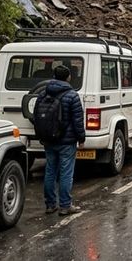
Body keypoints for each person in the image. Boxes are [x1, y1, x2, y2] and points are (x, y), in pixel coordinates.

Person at [38, 65, 85, 216]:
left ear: (53, 76)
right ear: (68, 77)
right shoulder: (72, 95)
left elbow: (37, 116)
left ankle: (50, 204)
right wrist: (81, 138)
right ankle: (65, 205)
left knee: (50, 171)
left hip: (48, 139)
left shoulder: (43, 93)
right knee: (66, 173)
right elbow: (77, 120)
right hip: (67, 141)